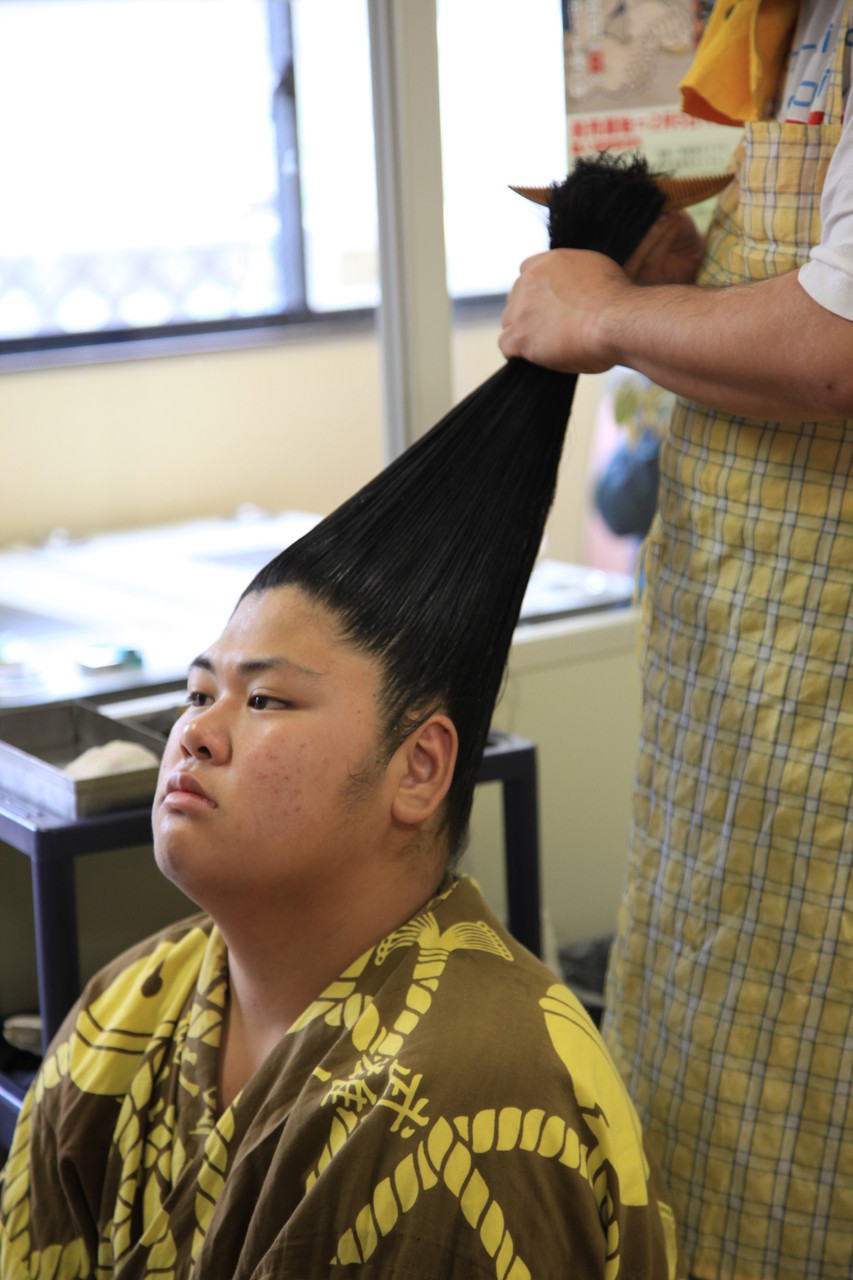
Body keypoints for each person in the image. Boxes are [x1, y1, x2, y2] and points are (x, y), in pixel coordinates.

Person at [0, 360, 685, 1274]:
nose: (196, 732)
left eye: (267, 701)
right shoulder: (123, 1011)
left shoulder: (477, 1088)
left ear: (419, 767)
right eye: (197, 691)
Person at [499, 0, 853, 1276]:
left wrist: (602, 317)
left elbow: (837, 347)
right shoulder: (792, 26)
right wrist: (681, 278)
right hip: (743, 703)